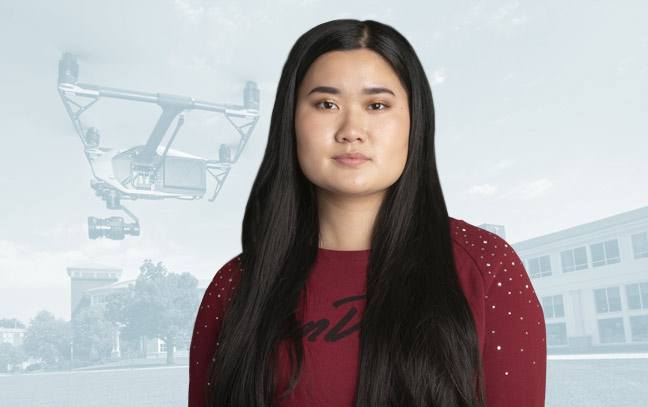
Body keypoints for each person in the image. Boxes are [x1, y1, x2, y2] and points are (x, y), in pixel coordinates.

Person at [189, 18, 547, 407]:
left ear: (415, 122)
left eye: (377, 105)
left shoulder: (488, 267)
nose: (351, 129)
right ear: (290, 123)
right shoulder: (234, 287)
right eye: (326, 104)